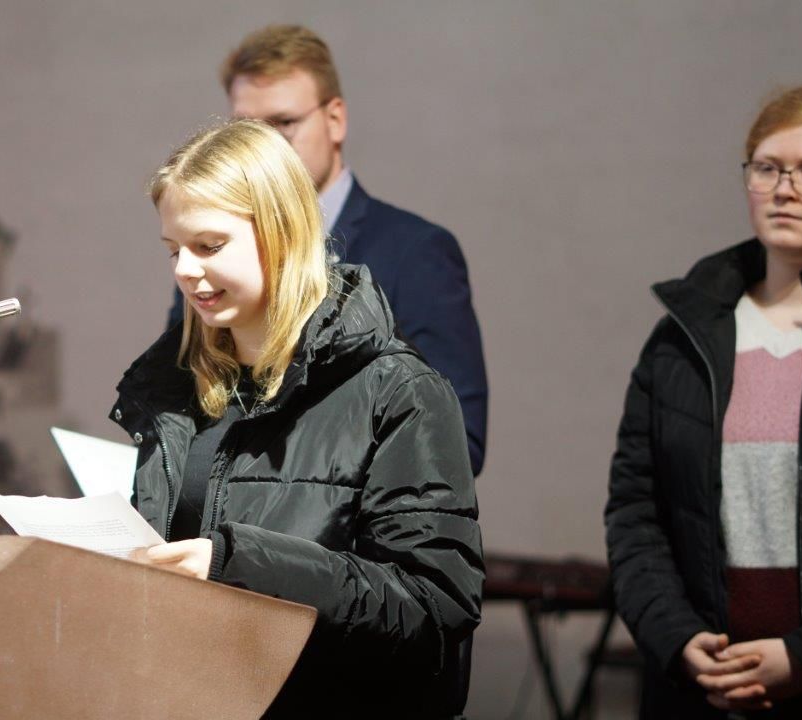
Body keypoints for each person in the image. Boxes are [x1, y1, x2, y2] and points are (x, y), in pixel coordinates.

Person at [113, 119, 483, 717]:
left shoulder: (399, 391)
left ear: (282, 233)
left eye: (209, 246)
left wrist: (239, 563)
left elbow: (433, 609)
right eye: (174, 250)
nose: (183, 269)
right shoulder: (175, 392)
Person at [606, 85, 802, 718]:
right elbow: (635, 510)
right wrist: (677, 638)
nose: (784, 189)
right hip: (701, 686)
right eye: (767, 168)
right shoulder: (685, 335)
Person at [169, 24, 489, 476]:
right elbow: (180, 412)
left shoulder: (416, 252)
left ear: (335, 119)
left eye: (283, 124)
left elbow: (456, 442)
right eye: (246, 130)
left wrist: (292, 485)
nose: (264, 149)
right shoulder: (204, 259)